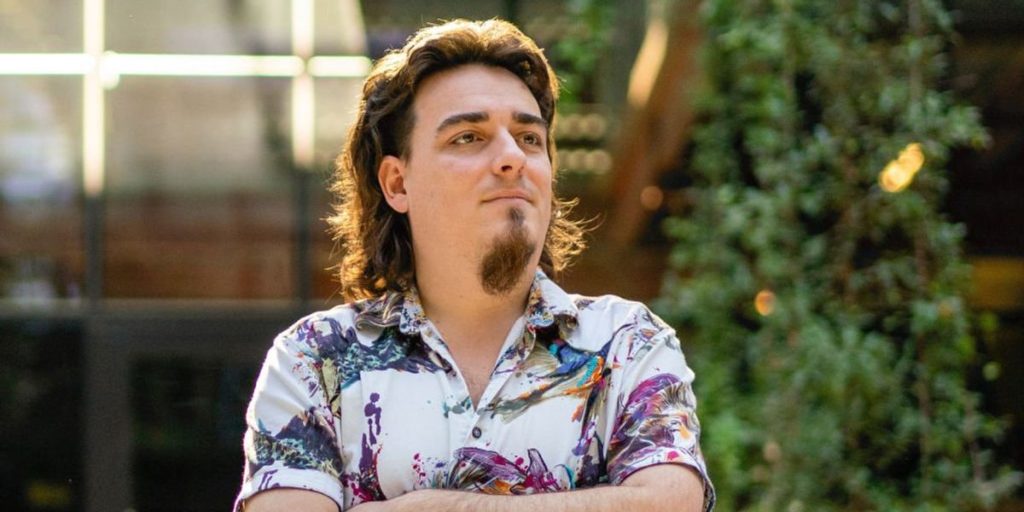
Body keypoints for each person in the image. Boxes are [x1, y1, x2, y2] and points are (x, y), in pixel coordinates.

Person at [235, 18, 714, 512]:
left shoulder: (628, 344)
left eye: (529, 138)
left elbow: (671, 504)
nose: (513, 157)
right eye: (468, 137)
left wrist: (424, 508)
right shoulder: (315, 360)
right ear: (398, 183)